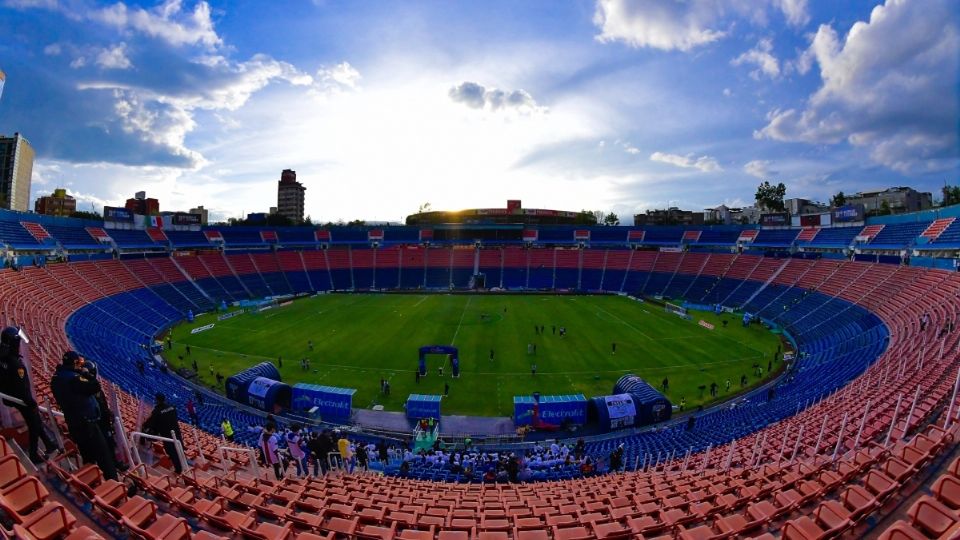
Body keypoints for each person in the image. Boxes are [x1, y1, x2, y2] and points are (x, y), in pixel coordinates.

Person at [50, 351, 114, 479]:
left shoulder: (56, 378)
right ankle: (114, 484)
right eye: (78, 363)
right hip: (87, 423)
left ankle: (92, 480)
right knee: (103, 455)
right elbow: (95, 386)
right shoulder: (74, 379)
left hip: (73, 421)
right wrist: (87, 374)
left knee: (87, 454)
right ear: (74, 363)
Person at [1, 327, 60, 464]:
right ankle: (34, 454)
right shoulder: (16, 364)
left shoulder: (2, 356)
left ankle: (49, 443)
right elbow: (22, 387)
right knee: (33, 424)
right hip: (20, 399)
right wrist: (31, 402)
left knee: (35, 419)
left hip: (9, 395)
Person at [142, 393, 184, 473]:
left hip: (167, 435)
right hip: (176, 432)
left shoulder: (156, 411)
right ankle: (183, 466)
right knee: (179, 449)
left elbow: (150, 423)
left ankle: (179, 471)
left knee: (173, 452)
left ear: (156, 400)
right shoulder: (172, 407)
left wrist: (145, 425)